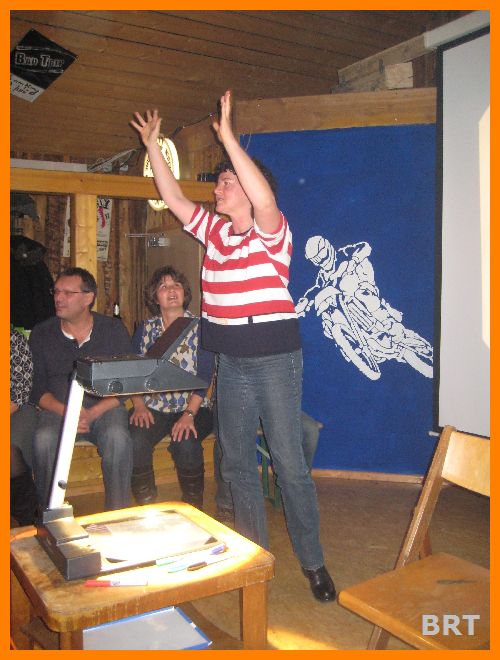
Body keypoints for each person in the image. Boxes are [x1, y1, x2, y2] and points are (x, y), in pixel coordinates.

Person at [131, 91, 335, 602]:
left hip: (275, 361)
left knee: (289, 463)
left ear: (246, 186)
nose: (216, 188)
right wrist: (153, 146)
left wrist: (228, 139)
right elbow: (174, 198)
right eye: (219, 180)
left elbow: (264, 200)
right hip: (231, 363)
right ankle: (254, 558)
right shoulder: (215, 235)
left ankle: (313, 562)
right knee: (236, 463)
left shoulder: (272, 233)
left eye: (226, 181)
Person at [29, 267, 133, 512]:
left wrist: (93, 412)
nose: (58, 298)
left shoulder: (113, 330)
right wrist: (69, 413)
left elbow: (127, 383)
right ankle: (48, 513)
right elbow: (37, 388)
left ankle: (118, 513)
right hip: (59, 409)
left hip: (104, 408)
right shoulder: (42, 333)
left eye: (68, 293)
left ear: (88, 298)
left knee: (117, 437)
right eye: (56, 291)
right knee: (44, 440)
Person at [129, 266, 214, 509]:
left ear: (184, 292)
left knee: (186, 442)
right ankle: (147, 504)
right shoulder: (145, 329)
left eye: (176, 285)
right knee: (135, 438)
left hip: (194, 406)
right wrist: (138, 405)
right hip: (153, 406)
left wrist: (189, 415)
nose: (171, 290)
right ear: (155, 297)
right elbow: (132, 371)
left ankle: (193, 507)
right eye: (163, 287)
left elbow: (205, 375)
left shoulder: (200, 328)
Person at [214, 410, 322, 520]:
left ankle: (298, 494)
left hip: (277, 409)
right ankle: (226, 503)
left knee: (310, 430)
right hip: (241, 409)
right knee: (227, 432)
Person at [10, 328, 38, 525]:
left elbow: (20, 393)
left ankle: (26, 518)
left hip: (16, 408)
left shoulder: (13, 340)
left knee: (8, 451)